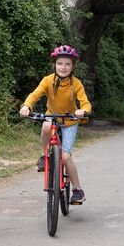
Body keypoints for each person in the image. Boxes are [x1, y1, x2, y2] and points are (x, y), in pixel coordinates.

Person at [19, 45, 92, 205]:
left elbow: (85, 102)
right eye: (60, 63)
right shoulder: (47, 80)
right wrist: (27, 106)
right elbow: (35, 94)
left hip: (70, 122)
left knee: (65, 157)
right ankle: (45, 156)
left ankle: (77, 190)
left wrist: (83, 111)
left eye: (67, 64)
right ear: (55, 65)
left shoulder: (76, 83)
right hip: (52, 118)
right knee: (45, 126)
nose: (63, 67)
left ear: (73, 66)